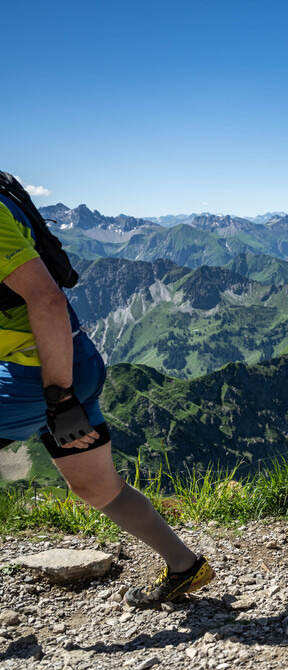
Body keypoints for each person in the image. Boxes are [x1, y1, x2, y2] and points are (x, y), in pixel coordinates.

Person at [0, 179, 214, 609]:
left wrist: (59, 402)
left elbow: (47, 301)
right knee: (95, 485)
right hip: (74, 359)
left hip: (35, 375)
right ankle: (185, 565)